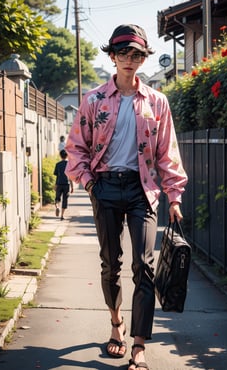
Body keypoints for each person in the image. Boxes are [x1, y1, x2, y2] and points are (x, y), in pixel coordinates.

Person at [65, 24, 188, 370]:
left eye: (137, 55)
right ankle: (116, 325)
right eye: (124, 54)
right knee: (110, 263)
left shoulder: (157, 101)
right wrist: (90, 185)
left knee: (144, 267)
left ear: (143, 58)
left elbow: (168, 153)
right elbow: (76, 150)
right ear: (112, 56)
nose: (130, 61)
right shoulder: (93, 100)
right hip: (104, 187)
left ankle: (138, 346)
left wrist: (174, 196)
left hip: (141, 189)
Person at [54, 149, 73, 220]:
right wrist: (72, 186)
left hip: (59, 183)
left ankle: (57, 207)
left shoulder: (58, 164)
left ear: (60, 156)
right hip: (66, 184)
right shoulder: (69, 164)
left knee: (57, 198)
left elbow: (57, 176)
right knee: (65, 199)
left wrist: (55, 185)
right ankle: (62, 215)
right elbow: (70, 176)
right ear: (67, 156)